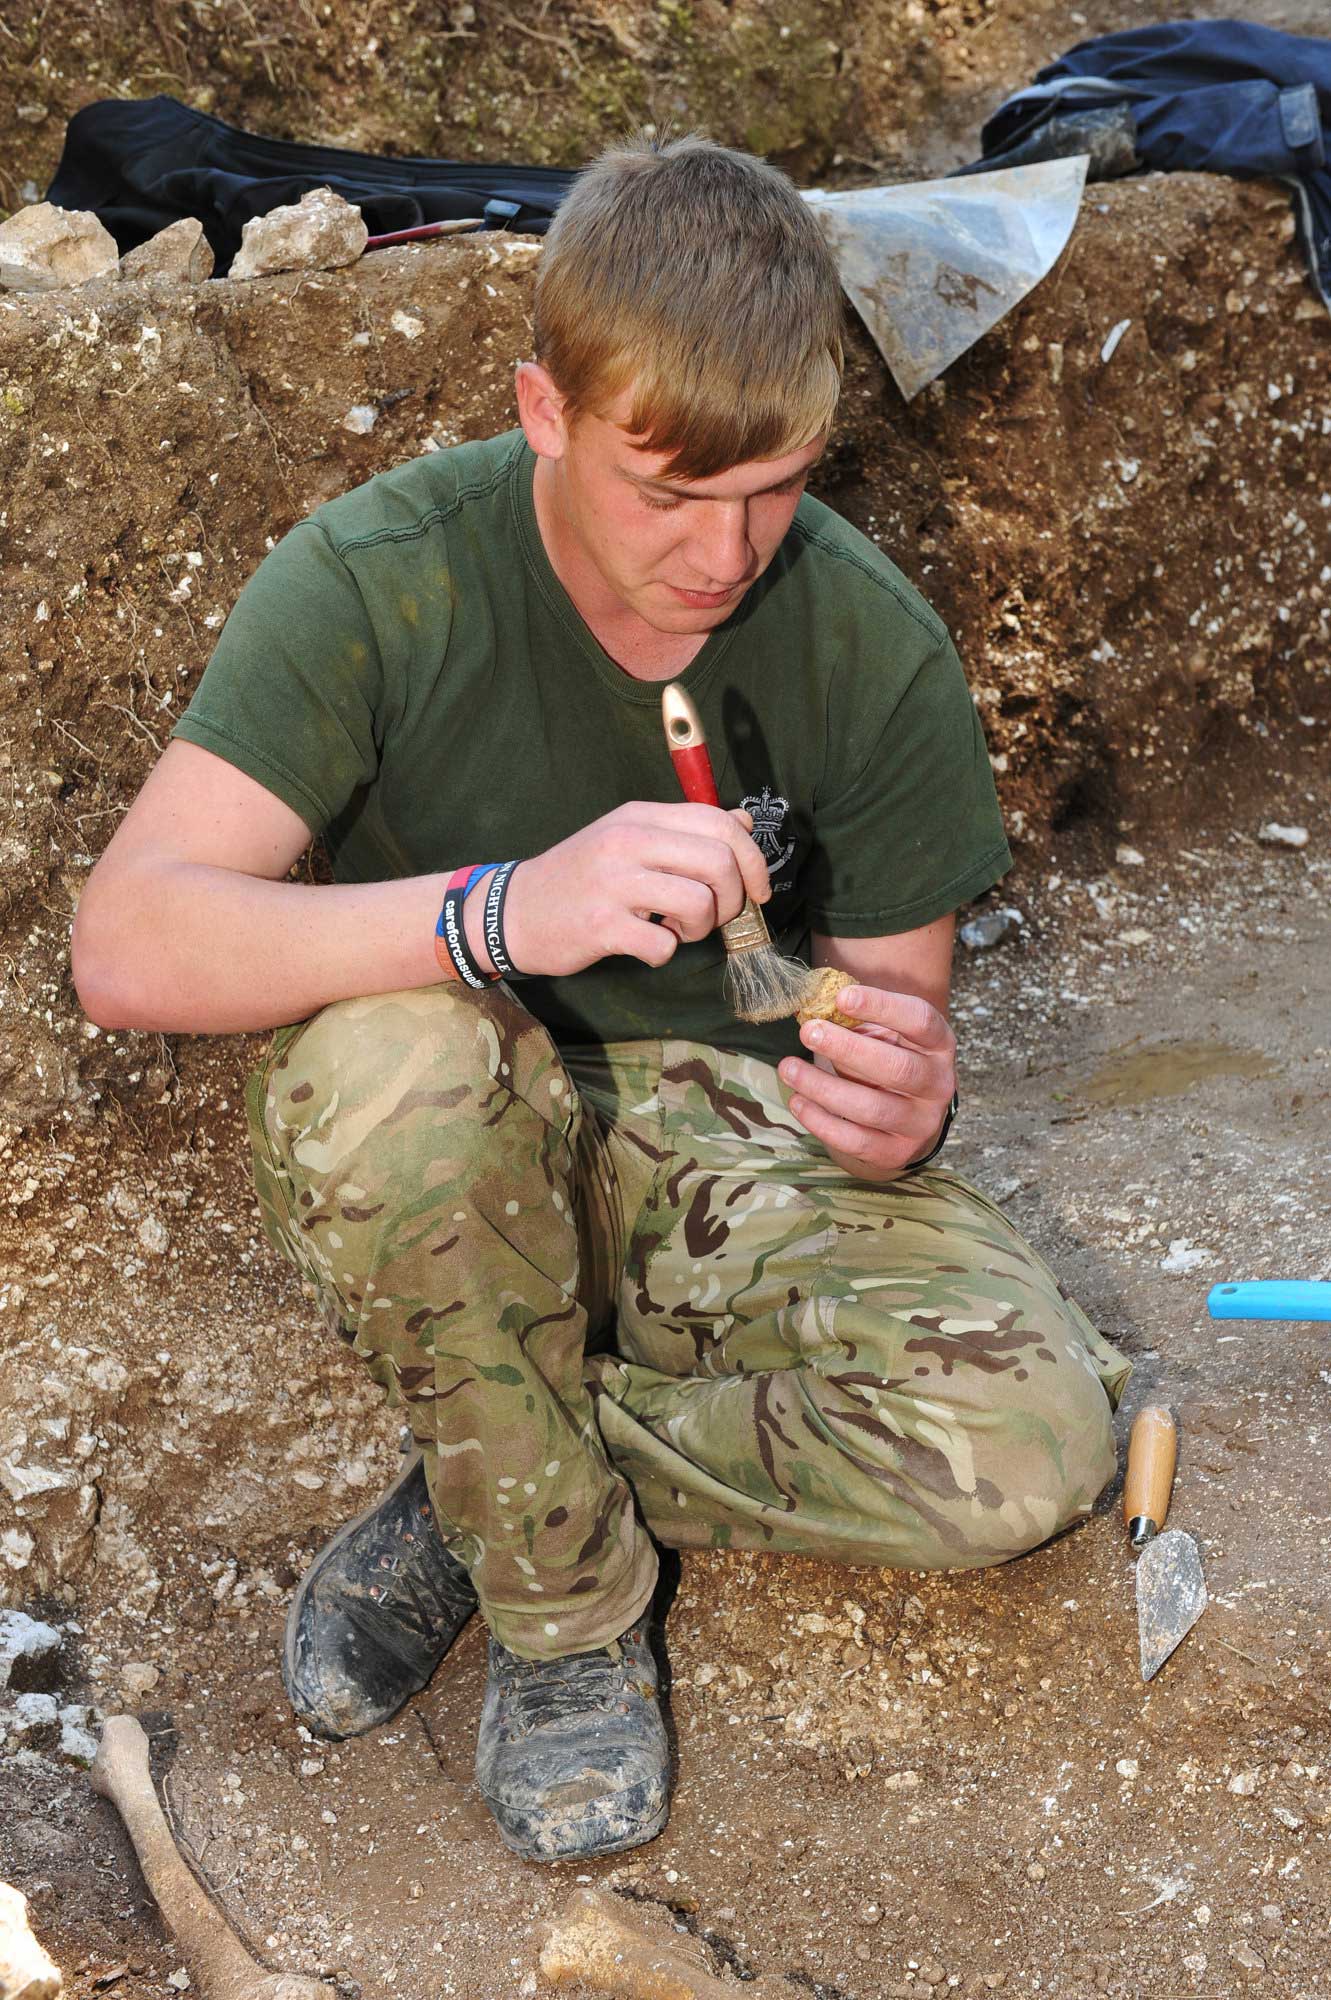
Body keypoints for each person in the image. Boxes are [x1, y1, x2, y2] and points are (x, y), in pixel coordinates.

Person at [71, 133, 1130, 1866]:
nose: (726, 553)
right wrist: (504, 914)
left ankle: (499, 1459)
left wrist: (900, 1099)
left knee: (1028, 1447)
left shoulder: (867, 641)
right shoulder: (382, 575)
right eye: (671, 489)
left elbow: (882, 1030)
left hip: (723, 1149)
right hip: (460, 1140)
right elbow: (129, 944)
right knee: (396, 1069)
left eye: (776, 486)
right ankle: (563, 1615)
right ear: (546, 408)